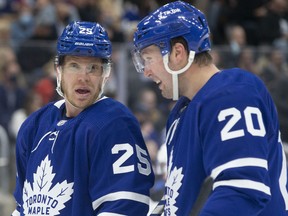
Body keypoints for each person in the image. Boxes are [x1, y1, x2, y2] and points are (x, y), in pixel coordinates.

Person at [132, 1, 288, 215]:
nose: (146, 71)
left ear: (177, 53)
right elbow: (181, 197)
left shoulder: (233, 94)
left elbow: (242, 192)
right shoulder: (181, 112)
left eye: (148, 59)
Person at [12, 21, 154, 216]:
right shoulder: (34, 126)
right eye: (74, 66)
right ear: (58, 70)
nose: (83, 78)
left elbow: (124, 207)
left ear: (105, 74)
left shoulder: (115, 123)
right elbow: (22, 206)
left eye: (93, 68)